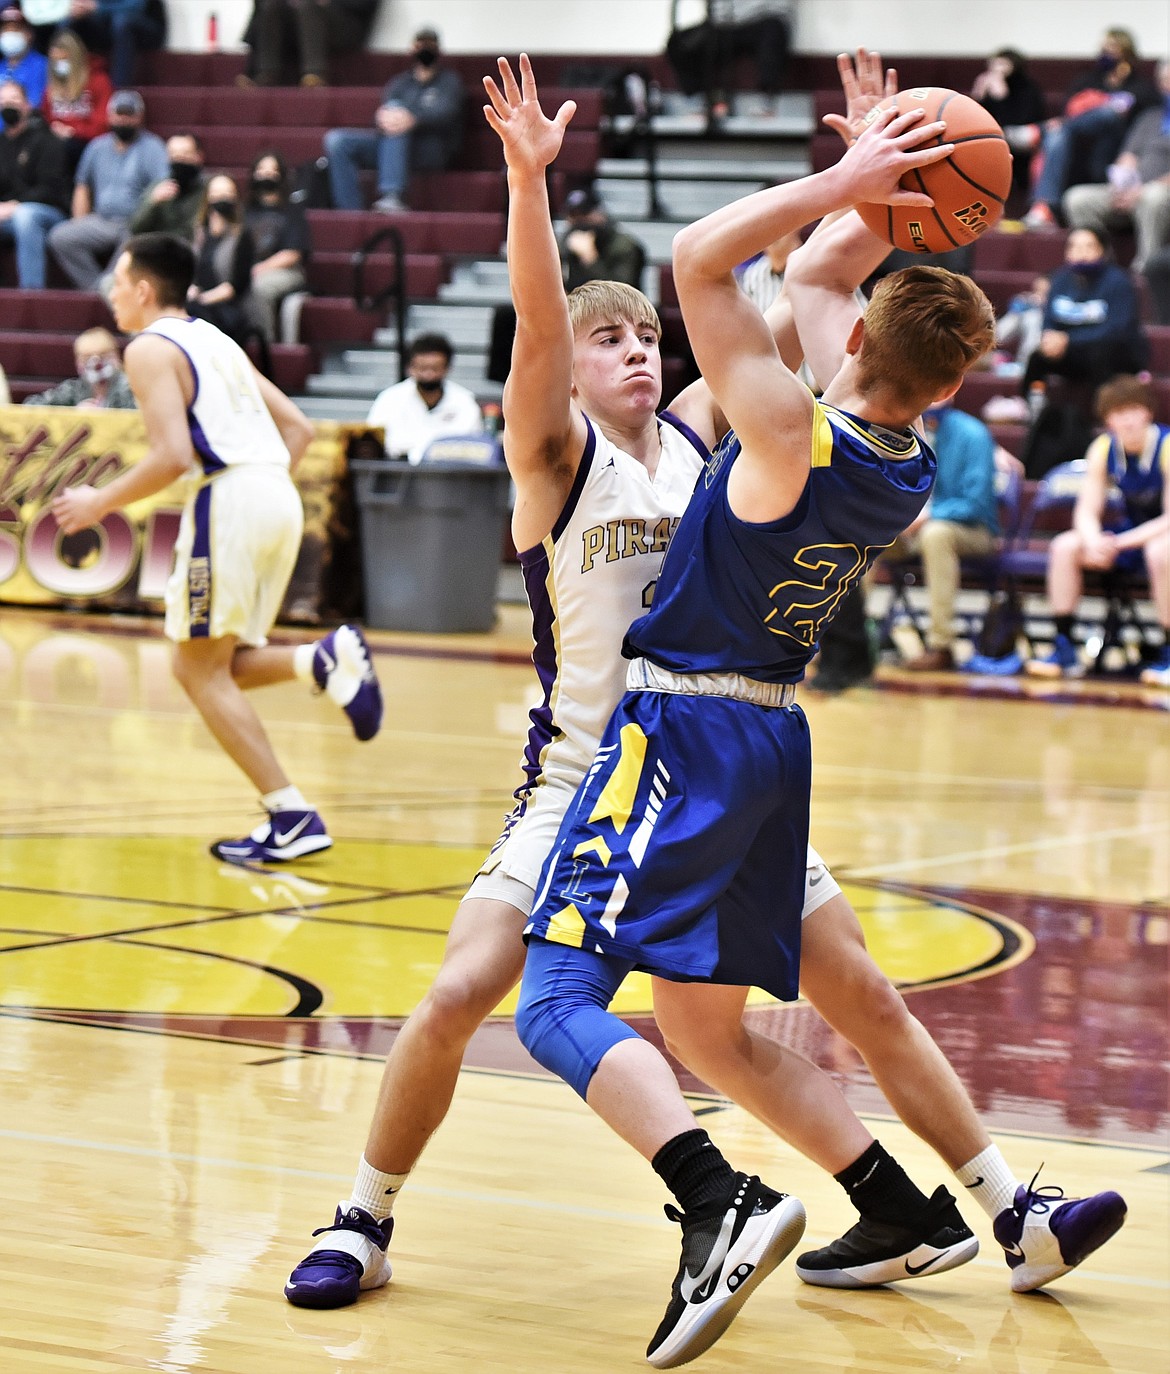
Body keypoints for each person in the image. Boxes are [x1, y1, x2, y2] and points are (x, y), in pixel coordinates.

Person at [282, 54, 1127, 1342]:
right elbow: (587, 316)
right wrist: (529, 184)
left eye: (643, 337)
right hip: (592, 769)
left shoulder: (710, 430)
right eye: (604, 341)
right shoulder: (555, 456)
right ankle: (363, 1211)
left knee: (825, 996)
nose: (630, 352)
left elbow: (809, 294)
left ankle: (982, 1208)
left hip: (691, 745)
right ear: (570, 371)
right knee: (468, 995)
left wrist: (878, 192)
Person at [509, 60, 1094, 1365]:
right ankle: (926, 1206)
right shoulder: (895, 458)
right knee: (707, 1025)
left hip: (678, 729)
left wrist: (842, 182)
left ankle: (716, 1201)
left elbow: (699, 261)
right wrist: (885, 178)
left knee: (552, 998)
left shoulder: (782, 427)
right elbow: (823, 281)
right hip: (772, 734)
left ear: (857, 351)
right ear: (939, 386)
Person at [51, 232, 384, 862]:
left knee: (195, 668)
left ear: (143, 289)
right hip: (273, 495)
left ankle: (290, 813)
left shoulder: (148, 347)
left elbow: (173, 456)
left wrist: (99, 502)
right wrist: (258, 492)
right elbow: (300, 428)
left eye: (117, 284)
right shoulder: (217, 340)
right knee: (207, 664)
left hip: (230, 499)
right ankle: (319, 662)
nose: (113, 297)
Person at [1025, 374, 1169, 684]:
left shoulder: (1166, 446)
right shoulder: (1104, 448)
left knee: (1161, 551)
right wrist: (1093, 540)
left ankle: (1168, 653)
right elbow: (1087, 510)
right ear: (1108, 420)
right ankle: (1063, 647)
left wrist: (1120, 542)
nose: (1127, 420)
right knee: (1065, 546)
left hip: (1158, 535)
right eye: (1118, 413)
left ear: (1148, 412)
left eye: (1132, 410)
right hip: (1131, 534)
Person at [881, 397, 1000, 673]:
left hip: (972, 531)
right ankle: (849, 638)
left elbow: (976, 503)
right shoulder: (898, 429)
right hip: (913, 531)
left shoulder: (973, 433)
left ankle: (941, 646)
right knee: (864, 531)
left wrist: (928, 515)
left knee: (936, 534)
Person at [1024, 28, 1159, 229]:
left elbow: (1147, 122)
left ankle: (1038, 131)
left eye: (1113, 47)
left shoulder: (1140, 86)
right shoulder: (1089, 79)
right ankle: (1044, 208)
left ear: (1127, 52)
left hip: (1119, 145)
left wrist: (1107, 103)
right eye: (1104, 47)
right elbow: (1068, 109)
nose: (1107, 52)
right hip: (1081, 144)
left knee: (1108, 113)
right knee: (1059, 134)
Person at [322, 26, 464, 213]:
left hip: (429, 149)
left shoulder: (450, 82)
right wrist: (381, 119)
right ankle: (350, 210)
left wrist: (413, 119)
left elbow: (447, 113)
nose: (425, 51)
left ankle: (393, 195)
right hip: (391, 148)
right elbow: (383, 116)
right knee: (336, 141)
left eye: (429, 45)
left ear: (438, 50)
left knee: (398, 117)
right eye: (420, 45)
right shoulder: (400, 83)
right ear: (412, 49)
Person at [47, 87, 166, 290]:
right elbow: (82, 186)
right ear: (110, 115)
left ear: (140, 117)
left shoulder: (153, 147)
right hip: (101, 220)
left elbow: (162, 188)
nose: (124, 120)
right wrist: (80, 222)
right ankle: (98, 289)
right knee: (60, 236)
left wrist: (146, 217)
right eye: (120, 114)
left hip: (135, 222)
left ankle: (109, 290)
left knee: (135, 240)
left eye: (130, 115)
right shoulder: (97, 147)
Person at [1020, 226, 1148, 409]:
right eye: (1074, 247)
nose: (1081, 253)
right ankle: (1034, 405)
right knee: (1038, 358)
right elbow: (1049, 318)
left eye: (1089, 246)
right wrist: (1049, 338)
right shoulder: (1060, 280)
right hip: (1072, 353)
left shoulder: (1119, 282)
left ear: (1102, 251)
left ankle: (1102, 412)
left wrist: (1069, 340)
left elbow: (1117, 330)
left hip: (1115, 354)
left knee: (1100, 354)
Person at [1062, 60, 1170, 273]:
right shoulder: (1150, 117)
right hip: (1133, 190)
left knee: (1154, 197)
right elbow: (1127, 156)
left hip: (1158, 193)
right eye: (1166, 80)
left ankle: (1146, 270)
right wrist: (1123, 185)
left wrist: (1140, 192)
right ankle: (1102, 265)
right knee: (1078, 199)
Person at [365, 332, 482, 463]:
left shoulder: (465, 401)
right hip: (398, 473)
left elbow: (476, 447)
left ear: (447, 368)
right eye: (423, 368)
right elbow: (374, 443)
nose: (429, 374)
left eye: (435, 368)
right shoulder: (389, 399)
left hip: (451, 475)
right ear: (410, 368)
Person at [666, 0, 791, 121]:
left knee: (773, 31)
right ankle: (698, 103)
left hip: (762, 20)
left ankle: (767, 104)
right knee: (678, 42)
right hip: (722, 26)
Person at [0, 76, 68, 287]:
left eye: (14, 99)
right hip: (7, 215)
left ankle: (32, 296)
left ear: (27, 104)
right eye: (3, 101)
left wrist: (14, 205)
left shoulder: (46, 140)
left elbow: (50, 188)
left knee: (26, 216)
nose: (8, 105)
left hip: (48, 213)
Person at [244, 150, 310, 343]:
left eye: (272, 170)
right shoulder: (245, 210)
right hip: (248, 267)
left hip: (285, 270)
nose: (266, 175)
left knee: (258, 288)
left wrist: (259, 269)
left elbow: (292, 254)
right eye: (261, 170)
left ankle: (264, 345)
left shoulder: (292, 210)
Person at [245, 0, 380, 88]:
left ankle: (315, 74)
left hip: (345, 24)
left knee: (308, 6)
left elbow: (365, 4)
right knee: (271, 4)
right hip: (298, 23)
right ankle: (266, 72)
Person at [970, 48, 1047, 204]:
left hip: (1023, 135)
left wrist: (1002, 97)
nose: (997, 69)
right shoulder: (988, 86)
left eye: (1003, 64)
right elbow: (975, 119)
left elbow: (1021, 120)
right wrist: (979, 95)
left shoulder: (1028, 88)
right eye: (995, 64)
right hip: (992, 134)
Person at [187, 174, 254, 347]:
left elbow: (237, 285)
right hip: (197, 303)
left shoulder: (242, 236)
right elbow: (189, 271)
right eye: (216, 193)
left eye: (227, 193)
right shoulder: (198, 233)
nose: (221, 199)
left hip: (227, 309)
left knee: (195, 316)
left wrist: (203, 298)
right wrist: (192, 290)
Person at [40, 27, 109, 171]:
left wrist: (73, 131)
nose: (60, 65)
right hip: (56, 144)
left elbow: (102, 125)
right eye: (56, 60)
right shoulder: (51, 87)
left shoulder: (98, 81)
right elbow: (46, 117)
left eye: (64, 59)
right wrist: (54, 129)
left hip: (88, 144)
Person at [558, 185, 646, 291]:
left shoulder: (625, 246)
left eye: (584, 215)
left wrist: (589, 258)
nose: (580, 221)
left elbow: (620, 294)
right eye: (574, 216)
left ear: (600, 213)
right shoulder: (566, 241)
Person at [23, 325, 135, 407]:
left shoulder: (132, 389)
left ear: (117, 357)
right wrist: (74, 414)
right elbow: (30, 406)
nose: (96, 362)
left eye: (103, 355)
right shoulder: (74, 389)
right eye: (86, 357)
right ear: (78, 363)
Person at [64, 0, 166, 90]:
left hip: (145, 27)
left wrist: (96, 7)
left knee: (122, 22)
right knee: (69, 23)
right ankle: (64, 86)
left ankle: (119, 90)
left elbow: (135, 6)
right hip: (109, 27)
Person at [126, 130, 206, 240]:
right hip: (163, 249)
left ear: (199, 156)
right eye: (174, 155)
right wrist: (153, 202)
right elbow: (135, 228)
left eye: (185, 154)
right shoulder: (158, 187)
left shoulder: (209, 188)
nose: (179, 160)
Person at [0, 4, 46, 106]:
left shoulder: (42, 65)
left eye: (15, 29)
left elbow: (36, 104)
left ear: (29, 34)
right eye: (5, 29)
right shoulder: (1, 66)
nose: (10, 34)